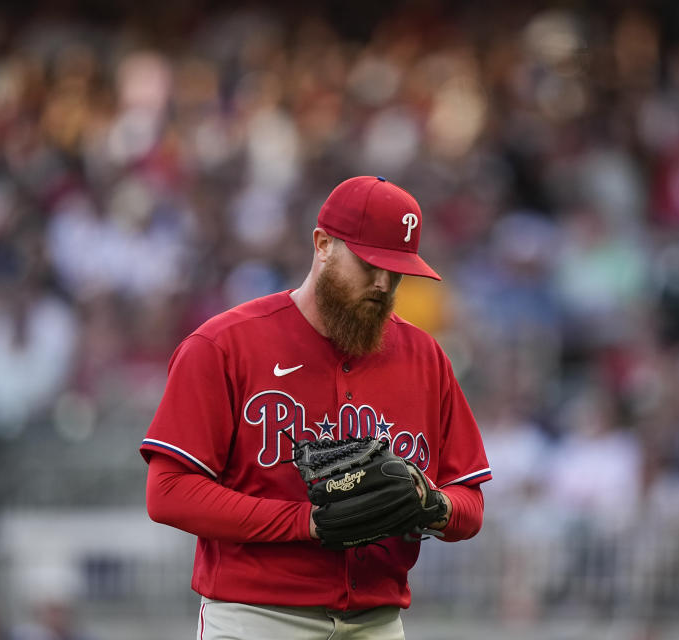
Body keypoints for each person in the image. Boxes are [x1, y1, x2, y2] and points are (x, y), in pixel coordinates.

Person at [141, 175, 491, 639]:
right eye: (370, 264)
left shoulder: (426, 357)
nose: (385, 284)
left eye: (398, 270)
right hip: (258, 617)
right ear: (323, 244)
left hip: (378, 621)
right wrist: (306, 522)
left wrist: (431, 504)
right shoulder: (224, 346)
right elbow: (168, 493)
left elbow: (470, 503)